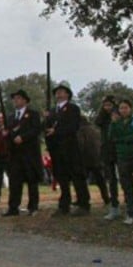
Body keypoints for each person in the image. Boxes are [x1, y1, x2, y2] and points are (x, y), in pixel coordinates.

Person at [44, 84, 90, 216]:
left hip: (70, 147)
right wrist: (46, 119)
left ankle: (83, 204)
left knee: (77, 176)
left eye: (61, 92)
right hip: (56, 149)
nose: (58, 94)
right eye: (57, 92)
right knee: (62, 177)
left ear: (67, 94)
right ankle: (64, 205)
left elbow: (73, 127)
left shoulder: (73, 108)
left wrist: (56, 130)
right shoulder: (52, 111)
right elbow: (46, 128)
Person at [3, 90, 43, 217]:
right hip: (15, 155)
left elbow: (36, 130)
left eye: (19, 98)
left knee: (32, 181)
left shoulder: (33, 114)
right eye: (14, 98)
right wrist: (7, 135)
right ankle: (13, 207)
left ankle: (33, 206)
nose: (16, 101)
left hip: (29, 154)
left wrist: (23, 137)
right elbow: (10, 133)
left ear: (25, 100)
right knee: (15, 182)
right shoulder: (10, 117)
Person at [95, 96, 121, 220]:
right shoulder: (102, 119)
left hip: (119, 149)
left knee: (125, 178)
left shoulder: (119, 117)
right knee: (111, 180)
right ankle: (114, 205)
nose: (107, 108)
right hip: (107, 150)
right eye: (105, 105)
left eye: (109, 105)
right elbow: (98, 122)